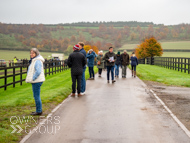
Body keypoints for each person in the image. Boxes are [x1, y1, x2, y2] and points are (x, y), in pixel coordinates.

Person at [25, 48, 45, 116]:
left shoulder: (37, 61)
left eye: (33, 53)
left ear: (36, 54)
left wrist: (33, 78)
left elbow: (38, 71)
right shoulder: (34, 60)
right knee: (36, 96)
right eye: (30, 53)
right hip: (36, 81)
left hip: (37, 81)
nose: (31, 54)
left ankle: (39, 111)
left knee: (36, 96)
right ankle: (38, 110)